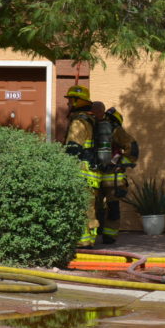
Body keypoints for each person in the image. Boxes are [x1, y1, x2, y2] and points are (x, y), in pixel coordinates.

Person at [91, 102, 138, 244]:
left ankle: (108, 236)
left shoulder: (112, 130)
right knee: (100, 208)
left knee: (110, 207)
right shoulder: (91, 127)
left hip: (107, 177)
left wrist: (120, 163)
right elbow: (132, 147)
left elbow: (132, 147)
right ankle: (102, 234)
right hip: (99, 176)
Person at [63, 85, 100, 248]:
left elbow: (73, 149)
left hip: (81, 171)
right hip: (92, 172)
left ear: (78, 101)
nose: (68, 103)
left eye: (70, 100)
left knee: (79, 205)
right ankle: (90, 239)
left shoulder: (78, 122)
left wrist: (65, 169)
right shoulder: (91, 121)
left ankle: (82, 240)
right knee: (89, 206)